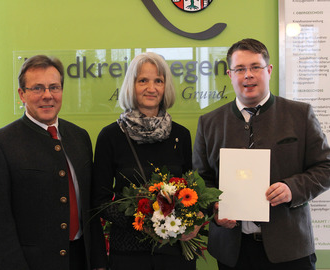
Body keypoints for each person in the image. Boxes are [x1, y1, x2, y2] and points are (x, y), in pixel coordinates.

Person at [193, 38, 330, 270]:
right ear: (230, 74)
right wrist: (215, 208)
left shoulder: (299, 114)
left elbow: (325, 167)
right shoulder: (210, 123)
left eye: (255, 67)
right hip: (232, 252)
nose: (248, 75)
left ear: (269, 70)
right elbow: (200, 179)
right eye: (240, 69)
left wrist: (292, 189)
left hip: (290, 249)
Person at [0, 55, 107, 270]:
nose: (47, 96)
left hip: (80, 260)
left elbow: (90, 210)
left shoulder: (80, 137)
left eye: (54, 87)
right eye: (37, 88)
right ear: (22, 94)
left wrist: (99, 263)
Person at [92, 52, 197, 270]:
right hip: (129, 255)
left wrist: (191, 221)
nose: (152, 88)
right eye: (143, 81)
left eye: (158, 81)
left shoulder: (181, 135)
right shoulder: (110, 136)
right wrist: (143, 222)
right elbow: (100, 200)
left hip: (175, 253)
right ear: (131, 85)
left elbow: (193, 191)